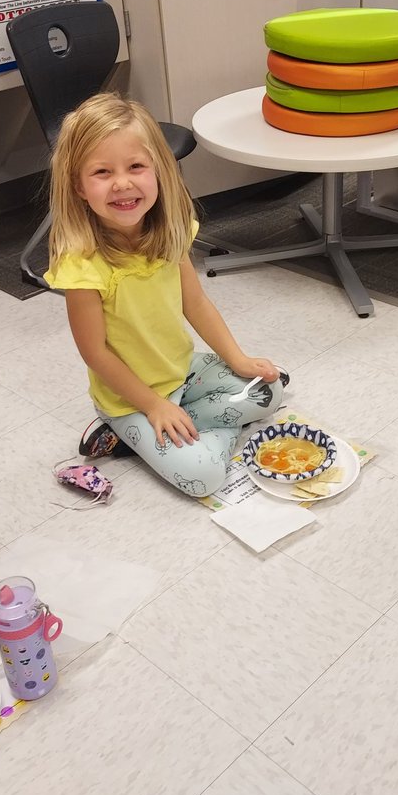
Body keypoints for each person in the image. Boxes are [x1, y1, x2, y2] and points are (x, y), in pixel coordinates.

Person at [47, 93, 285, 497]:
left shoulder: (170, 234)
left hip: (183, 369)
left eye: (136, 166)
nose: (123, 183)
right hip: (129, 399)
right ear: (78, 187)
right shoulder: (82, 266)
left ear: (158, 170)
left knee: (270, 390)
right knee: (204, 479)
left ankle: (176, 425)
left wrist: (238, 359)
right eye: (103, 172)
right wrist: (155, 406)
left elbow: (197, 305)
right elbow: (96, 354)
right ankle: (127, 431)